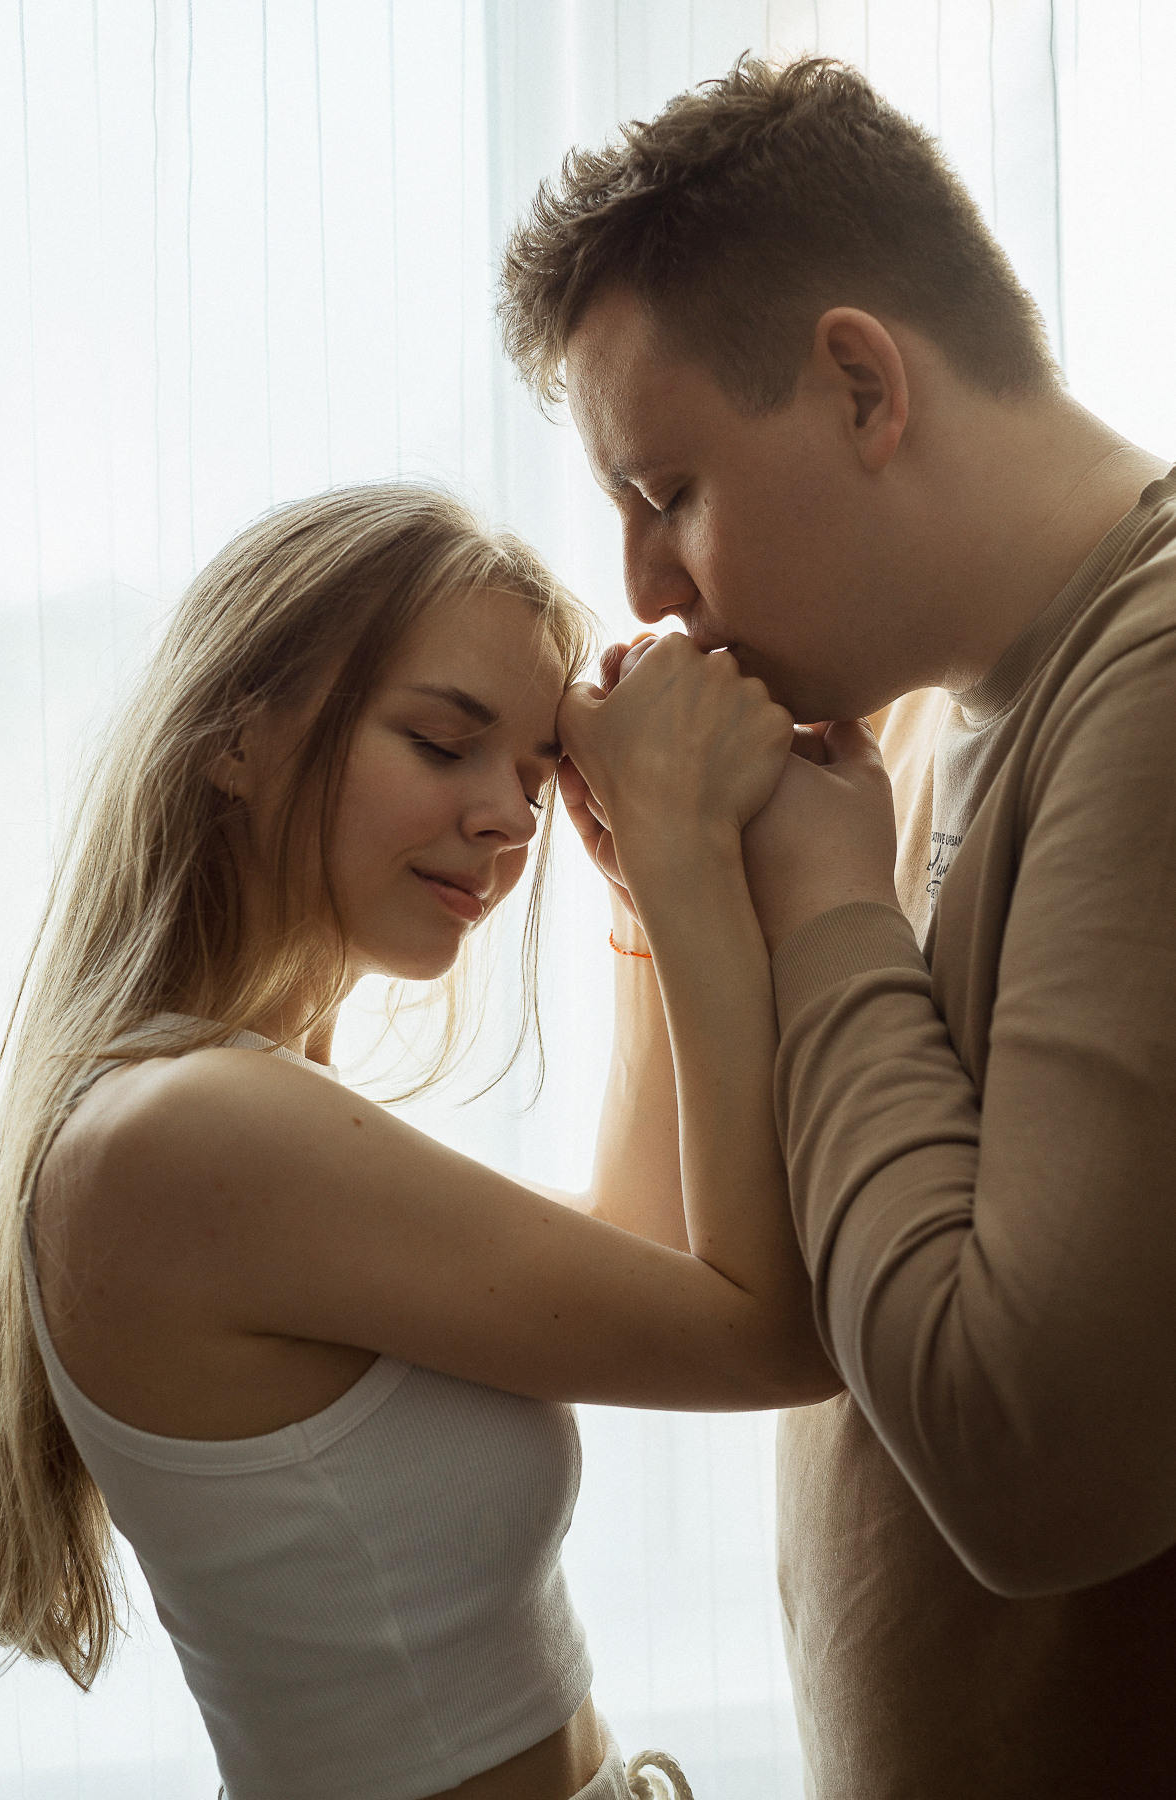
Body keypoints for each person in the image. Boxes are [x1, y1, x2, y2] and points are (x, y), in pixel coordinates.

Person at [498, 53, 1176, 1800]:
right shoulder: (912, 725)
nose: (643, 586)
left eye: (665, 495)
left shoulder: (1156, 688)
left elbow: (1027, 1472)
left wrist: (813, 901)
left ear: (861, 385)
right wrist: (683, 890)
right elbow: (723, 1268)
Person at [0, 483, 838, 1800]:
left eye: (541, 772)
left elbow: (651, 1254)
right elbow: (765, 1330)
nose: (510, 816)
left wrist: (643, 901)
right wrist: (686, 856)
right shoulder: (190, 1131)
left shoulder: (210, 1108)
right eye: (443, 744)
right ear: (237, 736)